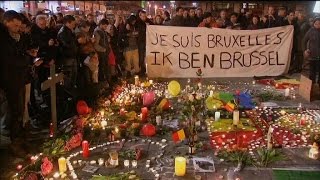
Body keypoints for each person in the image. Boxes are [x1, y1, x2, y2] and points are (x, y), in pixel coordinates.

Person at [0, 10, 30, 157]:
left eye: (19, 25)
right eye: (16, 25)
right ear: (6, 22)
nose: (18, 28)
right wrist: (26, 60)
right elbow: (10, 60)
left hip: (19, 78)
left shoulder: (17, 37)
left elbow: (20, 54)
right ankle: (15, 143)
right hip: (9, 80)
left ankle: (20, 138)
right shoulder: (3, 39)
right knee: (14, 112)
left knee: (19, 110)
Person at [57, 15, 78, 89]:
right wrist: (76, 42)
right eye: (73, 23)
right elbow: (66, 44)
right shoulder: (63, 32)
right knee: (68, 76)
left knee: (74, 75)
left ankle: (72, 91)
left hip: (72, 56)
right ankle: (68, 93)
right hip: (67, 57)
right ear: (68, 23)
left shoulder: (70, 31)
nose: (74, 25)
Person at [303, 17, 320, 85]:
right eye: (316, 24)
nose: (317, 25)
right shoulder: (310, 31)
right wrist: (305, 50)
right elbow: (304, 41)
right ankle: (311, 85)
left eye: (319, 24)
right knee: (312, 71)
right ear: (314, 24)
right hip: (312, 55)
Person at [136, 10, 149, 75]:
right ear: (140, 16)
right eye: (143, 16)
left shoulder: (146, 22)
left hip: (145, 41)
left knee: (144, 55)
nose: (144, 18)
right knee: (141, 56)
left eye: (145, 16)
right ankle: (141, 69)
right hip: (140, 42)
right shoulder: (138, 23)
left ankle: (144, 68)